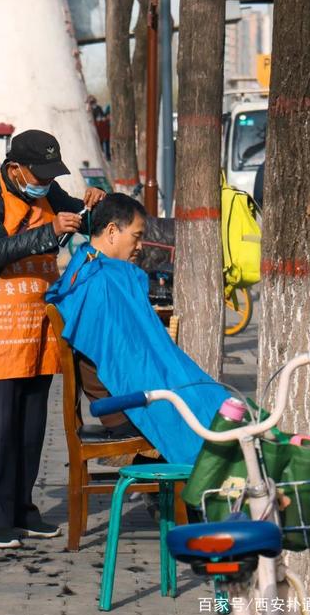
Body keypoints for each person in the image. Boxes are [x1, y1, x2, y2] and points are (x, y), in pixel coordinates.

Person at [0, 129, 106, 549]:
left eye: (50, 174)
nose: (44, 182)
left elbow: (78, 219)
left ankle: (23, 510)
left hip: (39, 325)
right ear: (14, 168)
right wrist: (50, 233)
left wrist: (90, 206)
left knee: (30, 426)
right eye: (38, 173)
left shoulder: (48, 190)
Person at [46, 193, 228, 466]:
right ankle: (195, 499)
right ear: (111, 231)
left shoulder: (92, 270)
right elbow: (128, 361)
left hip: (126, 394)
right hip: (124, 407)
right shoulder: (100, 282)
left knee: (214, 403)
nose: (140, 246)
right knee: (208, 414)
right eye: (136, 236)